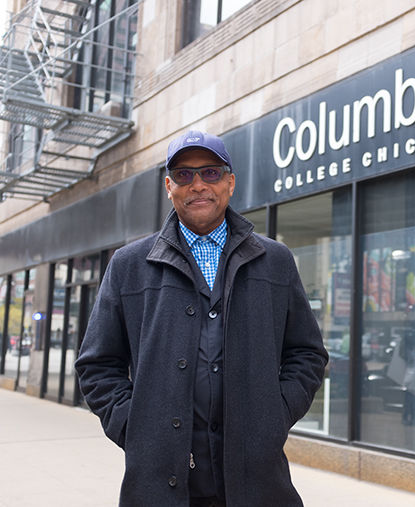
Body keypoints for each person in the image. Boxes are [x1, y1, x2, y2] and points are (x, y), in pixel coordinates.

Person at [75, 130, 328, 507]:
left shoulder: (275, 261)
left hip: (258, 481)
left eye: (210, 173)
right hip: (158, 484)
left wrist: (275, 415)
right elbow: (97, 365)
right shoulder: (128, 266)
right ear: (168, 185)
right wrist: (136, 425)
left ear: (230, 182)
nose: (197, 185)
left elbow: (307, 354)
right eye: (183, 174)